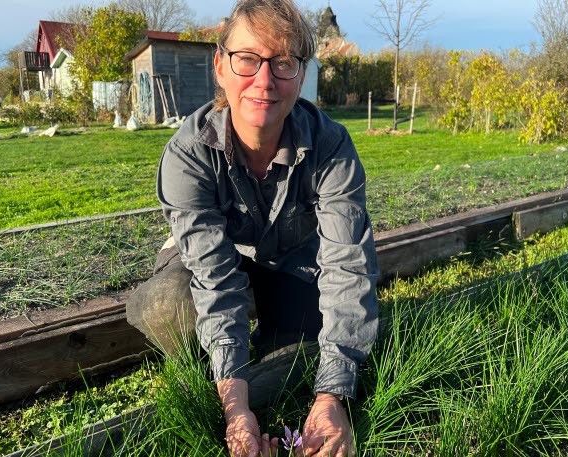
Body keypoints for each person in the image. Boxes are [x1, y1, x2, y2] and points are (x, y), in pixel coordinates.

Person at [126, 0, 379, 455]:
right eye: (247, 59)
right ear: (220, 66)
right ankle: (226, 370)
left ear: (301, 75)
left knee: (312, 341)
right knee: (165, 306)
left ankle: (264, 350)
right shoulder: (189, 154)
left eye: (283, 63)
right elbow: (214, 276)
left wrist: (333, 397)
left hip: (289, 262)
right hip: (214, 263)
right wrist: (235, 410)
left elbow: (348, 265)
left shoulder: (331, 146)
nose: (264, 81)